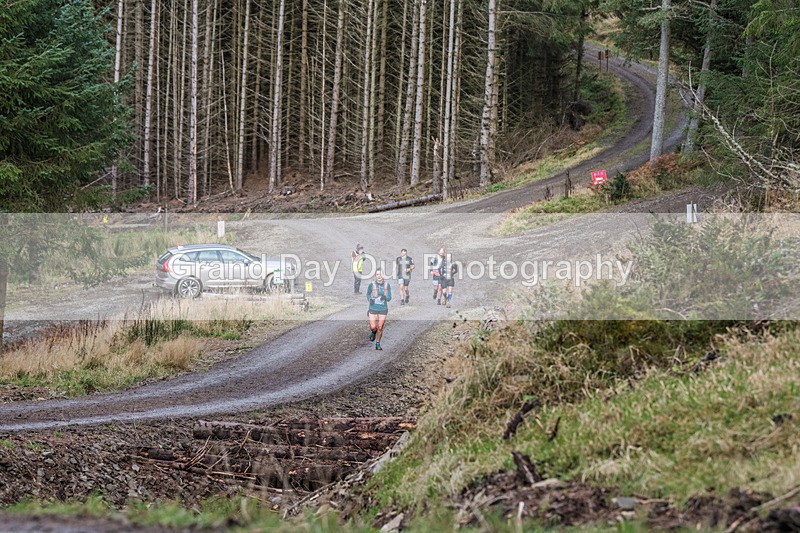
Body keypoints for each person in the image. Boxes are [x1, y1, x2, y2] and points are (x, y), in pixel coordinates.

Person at [366, 270, 392, 350]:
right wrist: (370, 299)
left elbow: (389, 297)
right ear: (375, 276)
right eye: (377, 274)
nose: (379, 276)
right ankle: (374, 332)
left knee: (380, 327)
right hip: (373, 308)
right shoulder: (371, 284)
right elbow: (368, 294)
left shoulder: (387, 285)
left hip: (383, 309)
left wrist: (385, 297)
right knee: (373, 327)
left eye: (380, 274)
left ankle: (378, 343)